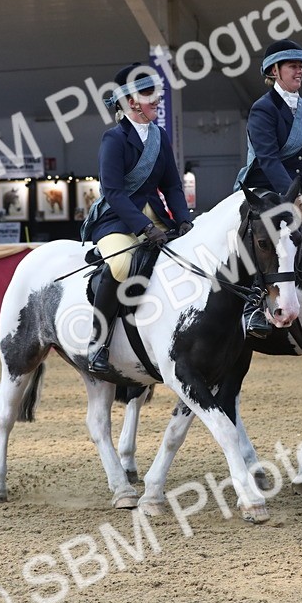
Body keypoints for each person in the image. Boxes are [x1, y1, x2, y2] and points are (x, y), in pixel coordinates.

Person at [82, 63, 193, 374]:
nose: (156, 100)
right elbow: (113, 192)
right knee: (120, 264)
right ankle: (98, 342)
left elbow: (172, 185)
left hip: (156, 216)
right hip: (117, 219)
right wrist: (143, 227)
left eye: (156, 94)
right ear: (131, 101)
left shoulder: (160, 136)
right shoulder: (114, 139)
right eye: (148, 95)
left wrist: (183, 220)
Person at [234, 39, 302, 336]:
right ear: (274, 71)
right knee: (265, 233)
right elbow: (268, 159)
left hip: (295, 186)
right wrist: (295, 198)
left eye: (301, 67)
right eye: (293, 66)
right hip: (262, 188)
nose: (300, 71)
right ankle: (252, 304)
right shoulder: (262, 109)